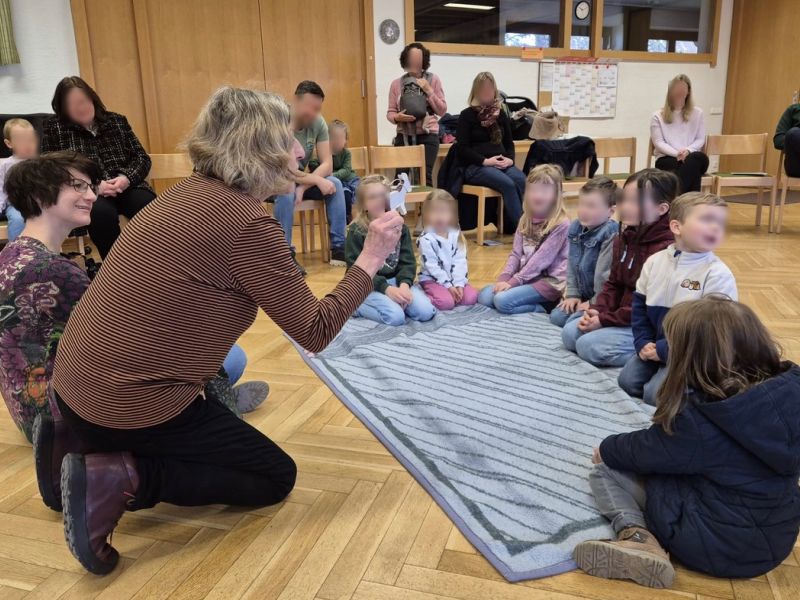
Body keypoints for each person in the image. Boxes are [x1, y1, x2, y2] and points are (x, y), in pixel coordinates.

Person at [49, 87, 405, 575]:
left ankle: (73, 440)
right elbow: (315, 330)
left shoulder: (182, 194)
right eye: (288, 140)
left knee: (218, 394)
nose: (300, 152)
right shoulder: (246, 223)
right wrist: (371, 257)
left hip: (76, 384)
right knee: (272, 475)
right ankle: (120, 475)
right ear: (258, 150)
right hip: (127, 403)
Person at [0, 152, 267, 511]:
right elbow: (125, 340)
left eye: (90, 186)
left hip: (27, 408)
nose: (92, 195)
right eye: (76, 186)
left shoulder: (12, 254)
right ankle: (222, 411)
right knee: (229, 356)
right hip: (73, 407)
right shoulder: (56, 272)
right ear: (37, 197)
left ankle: (214, 407)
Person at [574, 296, 800, 588]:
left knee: (606, 471)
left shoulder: (701, 422)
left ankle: (637, 538)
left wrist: (606, 448)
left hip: (715, 545)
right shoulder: (789, 389)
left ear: (691, 359)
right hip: (777, 535)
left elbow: (644, 450)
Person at [619, 192, 737, 406]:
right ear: (676, 227)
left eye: (720, 222)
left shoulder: (717, 274)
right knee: (627, 381)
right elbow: (639, 309)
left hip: (693, 355)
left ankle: (700, 387)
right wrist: (643, 342)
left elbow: (711, 332)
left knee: (654, 396)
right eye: (707, 219)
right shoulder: (654, 262)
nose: (715, 227)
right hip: (658, 346)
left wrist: (665, 350)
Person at [562, 169, 677, 367]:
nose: (624, 207)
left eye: (634, 201)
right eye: (624, 200)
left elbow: (644, 305)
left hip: (644, 324)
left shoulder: (665, 250)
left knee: (588, 346)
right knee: (570, 334)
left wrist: (605, 320)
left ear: (661, 209)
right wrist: (598, 310)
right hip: (618, 316)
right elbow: (613, 283)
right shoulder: (624, 237)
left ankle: (649, 354)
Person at [41, 76, 155, 259]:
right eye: (72, 104)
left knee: (149, 207)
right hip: (86, 192)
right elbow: (50, 168)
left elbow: (142, 158)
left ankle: (155, 262)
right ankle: (118, 268)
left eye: (83, 101)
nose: (80, 107)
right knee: (100, 214)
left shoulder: (117, 121)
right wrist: (93, 186)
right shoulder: (55, 128)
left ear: (92, 99)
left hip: (127, 185)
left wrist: (126, 178)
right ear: (63, 108)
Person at [272, 81, 349, 272]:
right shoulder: (280, 120)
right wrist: (313, 180)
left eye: (318, 108)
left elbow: (327, 164)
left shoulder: (318, 122)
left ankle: (339, 248)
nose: (314, 113)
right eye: (311, 107)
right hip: (275, 180)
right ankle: (284, 253)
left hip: (300, 180)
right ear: (295, 101)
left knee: (335, 183)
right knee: (287, 189)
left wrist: (304, 187)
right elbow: (284, 170)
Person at [345, 175, 436, 326]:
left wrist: (404, 286)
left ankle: (396, 302)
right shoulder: (356, 232)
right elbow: (356, 271)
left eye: (382, 195)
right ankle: (355, 305)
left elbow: (408, 263)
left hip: (396, 281)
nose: (379, 200)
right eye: (372, 197)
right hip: (367, 286)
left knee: (426, 312)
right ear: (364, 205)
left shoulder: (401, 228)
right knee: (395, 317)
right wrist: (387, 290)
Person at [478, 164, 569, 314]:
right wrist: (504, 279)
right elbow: (515, 254)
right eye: (533, 190)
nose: (538, 195)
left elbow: (540, 261)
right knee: (485, 297)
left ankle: (544, 307)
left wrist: (513, 282)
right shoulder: (525, 219)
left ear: (556, 195)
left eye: (545, 191)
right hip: (526, 279)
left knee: (502, 301)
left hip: (549, 284)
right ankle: (520, 299)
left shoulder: (561, 224)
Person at [457, 72, 527, 232]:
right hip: (476, 166)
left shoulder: (500, 114)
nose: (487, 91)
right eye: (483, 88)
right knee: (508, 185)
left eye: (490, 88)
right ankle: (523, 231)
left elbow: (509, 144)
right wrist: (485, 161)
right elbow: (462, 149)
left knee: (523, 181)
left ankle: (533, 225)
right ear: (476, 91)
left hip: (501, 163)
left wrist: (510, 160)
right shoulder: (466, 116)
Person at [550, 177, 619, 328]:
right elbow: (572, 264)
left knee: (572, 325)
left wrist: (594, 303)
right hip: (584, 295)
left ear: (611, 211)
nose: (583, 210)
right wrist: (573, 295)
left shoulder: (611, 232)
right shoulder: (576, 226)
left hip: (602, 299)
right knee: (557, 317)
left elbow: (604, 276)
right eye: (581, 204)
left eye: (591, 206)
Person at [387, 42, 447, 185]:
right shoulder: (396, 84)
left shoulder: (433, 80)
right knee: (400, 179)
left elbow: (442, 110)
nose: (415, 62)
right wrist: (397, 117)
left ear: (424, 60)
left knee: (424, 177)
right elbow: (390, 112)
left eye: (418, 58)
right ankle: (397, 208)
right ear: (405, 60)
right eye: (411, 58)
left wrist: (429, 91)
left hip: (428, 135)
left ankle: (426, 208)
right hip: (404, 136)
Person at [416, 189, 478, 310]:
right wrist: (448, 286)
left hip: (453, 279)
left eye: (444, 212)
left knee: (471, 298)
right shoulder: (426, 239)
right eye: (434, 212)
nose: (439, 217)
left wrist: (459, 284)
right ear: (426, 214)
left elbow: (460, 261)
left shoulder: (456, 234)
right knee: (446, 303)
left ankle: (451, 291)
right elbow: (433, 267)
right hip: (432, 280)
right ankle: (420, 296)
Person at [650, 74, 709, 193]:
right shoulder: (657, 115)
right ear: (670, 91)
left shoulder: (698, 113)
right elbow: (658, 142)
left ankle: (675, 196)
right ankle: (692, 203)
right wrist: (677, 154)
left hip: (693, 155)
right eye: (676, 89)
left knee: (695, 159)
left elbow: (700, 139)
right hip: (668, 158)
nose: (679, 92)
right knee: (693, 170)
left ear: (688, 92)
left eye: (683, 89)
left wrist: (687, 151)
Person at [309, 119, 360, 221]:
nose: (336, 142)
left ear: (345, 140)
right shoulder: (323, 153)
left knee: (360, 188)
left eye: (340, 139)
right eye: (333, 138)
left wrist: (331, 175)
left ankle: (355, 218)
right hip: (338, 183)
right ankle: (345, 218)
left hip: (350, 179)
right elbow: (312, 164)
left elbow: (346, 170)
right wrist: (322, 169)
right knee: (342, 191)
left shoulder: (346, 153)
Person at [0, 119, 37, 241]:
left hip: (39, 202)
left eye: (31, 140)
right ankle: (17, 252)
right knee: (18, 218)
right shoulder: (4, 164)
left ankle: (48, 253)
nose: (28, 145)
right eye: (22, 141)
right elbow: (1, 189)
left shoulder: (41, 163)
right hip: (16, 204)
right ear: (9, 143)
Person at [773, 100, 800, 177]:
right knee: (794, 133)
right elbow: (778, 140)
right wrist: (793, 141)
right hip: (796, 165)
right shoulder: (793, 110)